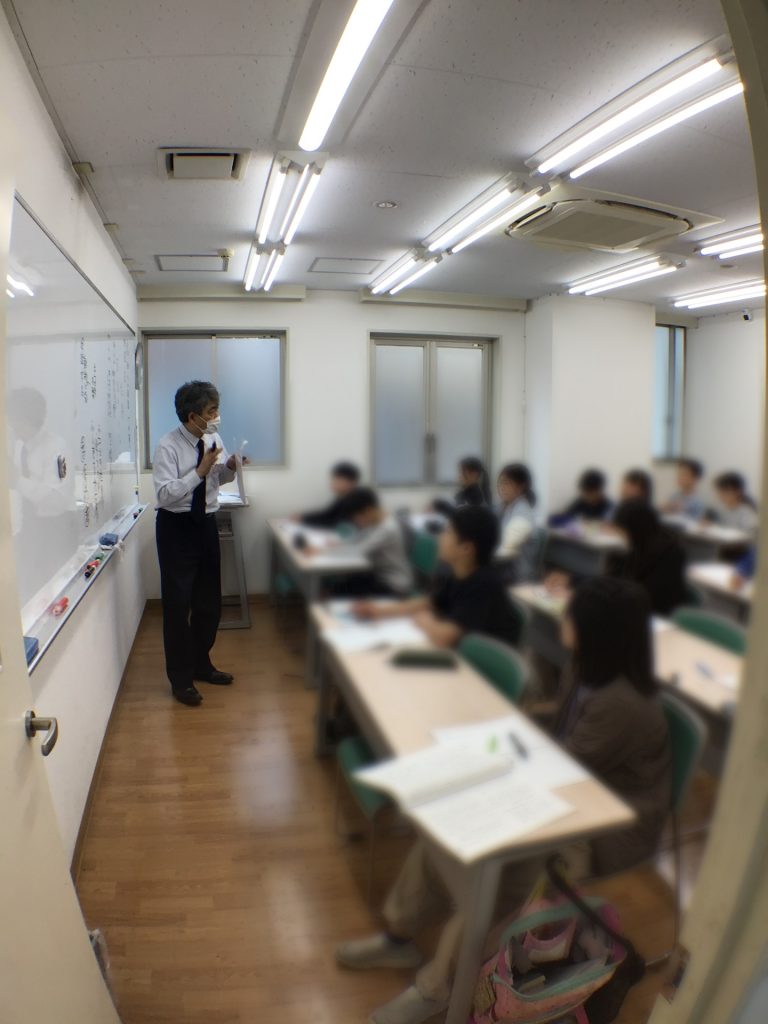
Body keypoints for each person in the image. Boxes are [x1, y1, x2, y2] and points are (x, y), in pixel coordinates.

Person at [336, 577, 671, 1024]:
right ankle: (398, 936)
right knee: (445, 834)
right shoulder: (587, 665)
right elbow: (563, 738)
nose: (563, 617)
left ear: (598, 632)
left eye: (573, 614)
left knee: (492, 877)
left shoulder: (623, 703)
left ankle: (436, 989)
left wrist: (495, 761)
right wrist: (505, 734)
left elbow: (566, 767)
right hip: (567, 793)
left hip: (602, 827)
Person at [153, 380, 244, 707]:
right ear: (192, 416)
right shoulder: (167, 446)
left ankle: (201, 664)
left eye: (216, 409)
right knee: (178, 607)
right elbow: (164, 494)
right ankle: (181, 680)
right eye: (211, 411)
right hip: (176, 528)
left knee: (209, 604)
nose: (217, 416)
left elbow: (219, 478)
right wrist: (199, 471)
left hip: (206, 523)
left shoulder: (213, 438)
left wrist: (229, 467)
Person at [355, 506, 521, 648]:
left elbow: (444, 637)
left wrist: (424, 620)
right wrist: (379, 610)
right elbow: (428, 603)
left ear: (466, 548)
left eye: (448, 532)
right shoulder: (456, 573)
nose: (440, 537)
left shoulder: (484, 584)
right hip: (461, 653)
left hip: (479, 667)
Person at [317, 487, 414, 597]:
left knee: (338, 592)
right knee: (340, 586)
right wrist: (338, 544)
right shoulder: (376, 522)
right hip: (380, 576)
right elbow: (357, 539)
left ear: (368, 510)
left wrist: (323, 552)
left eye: (357, 517)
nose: (356, 522)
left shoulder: (387, 528)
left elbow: (358, 551)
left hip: (394, 585)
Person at [610, 499, 688, 616]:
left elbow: (652, 593)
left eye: (623, 532)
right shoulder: (636, 544)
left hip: (657, 612)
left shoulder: (670, 553)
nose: (621, 537)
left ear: (634, 529)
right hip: (633, 605)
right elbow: (614, 576)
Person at [496, 462, 538, 581]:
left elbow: (504, 551)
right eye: (500, 483)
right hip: (504, 570)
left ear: (521, 486)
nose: (501, 487)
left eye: (507, 483)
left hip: (516, 577)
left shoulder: (522, 516)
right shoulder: (505, 507)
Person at [299, 461, 361, 529]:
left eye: (338, 480)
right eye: (333, 479)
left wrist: (304, 519)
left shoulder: (357, 500)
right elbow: (327, 514)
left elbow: (335, 523)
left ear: (351, 482)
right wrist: (303, 517)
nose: (333, 483)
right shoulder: (342, 498)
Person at [712, 472, 759, 537]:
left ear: (738, 492)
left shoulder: (747, 512)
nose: (720, 495)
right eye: (719, 491)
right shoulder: (720, 509)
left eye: (724, 491)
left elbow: (749, 536)